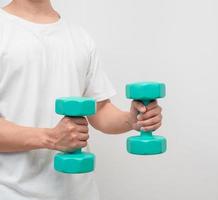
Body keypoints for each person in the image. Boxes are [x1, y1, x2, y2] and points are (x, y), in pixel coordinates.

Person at [0, 0, 163, 200]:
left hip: (80, 193)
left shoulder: (79, 37)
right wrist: (51, 137)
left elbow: (100, 110)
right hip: (12, 193)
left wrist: (133, 120)